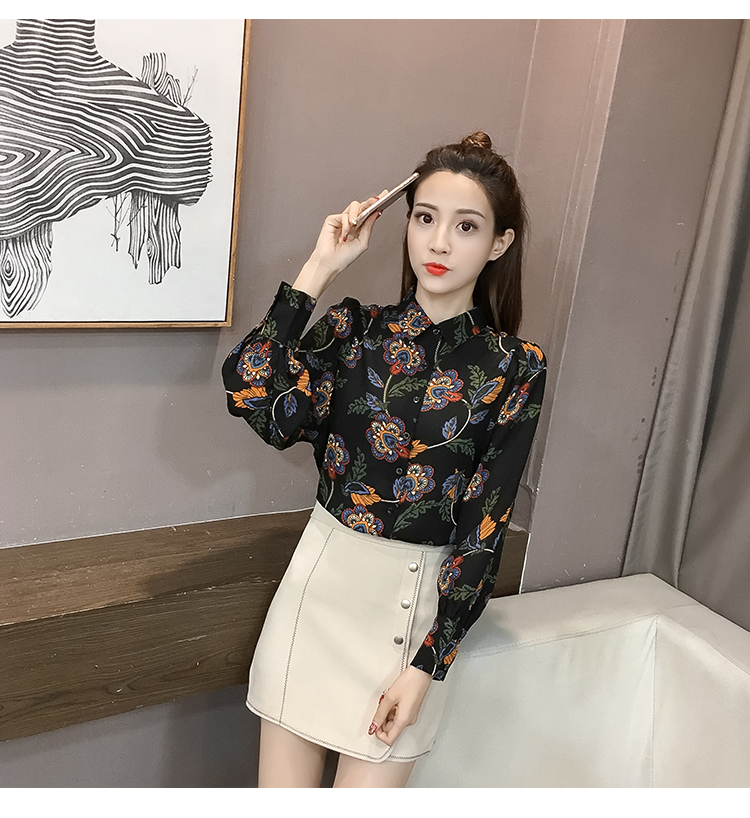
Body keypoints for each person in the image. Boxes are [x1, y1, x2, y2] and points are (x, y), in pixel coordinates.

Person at [222, 132, 547, 788]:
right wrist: (321, 267)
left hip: (410, 622)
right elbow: (251, 391)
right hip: (315, 600)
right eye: (425, 218)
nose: (439, 242)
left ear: (500, 243)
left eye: (466, 226)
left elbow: (484, 530)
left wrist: (429, 665)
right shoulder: (354, 331)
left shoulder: (513, 368)